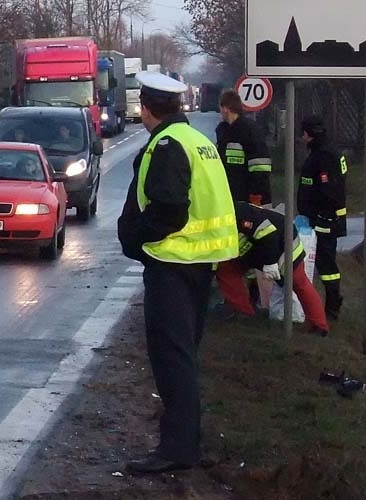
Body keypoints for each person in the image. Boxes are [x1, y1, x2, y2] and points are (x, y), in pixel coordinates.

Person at [117, 71, 238, 474]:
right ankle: (183, 437)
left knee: (172, 358)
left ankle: (178, 449)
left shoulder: (167, 145)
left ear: (147, 109)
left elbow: (168, 209)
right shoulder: (199, 141)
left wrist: (137, 240)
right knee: (184, 354)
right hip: (199, 263)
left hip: (173, 262)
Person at [216, 202, 329, 336]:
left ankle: (320, 326)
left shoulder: (240, 212)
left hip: (283, 242)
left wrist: (270, 263)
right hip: (251, 249)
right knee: (225, 271)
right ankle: (244, 314)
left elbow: (268, 235)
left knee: (298, 281)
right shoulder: (214, 218)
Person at [297, 115, 347, 320]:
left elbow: (329, 191)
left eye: (303, 134)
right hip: (322, 217)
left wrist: (319, 213)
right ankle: (329, 302)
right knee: (323, 261)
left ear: (310, 135)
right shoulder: (326, 152)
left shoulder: (323, 157)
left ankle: (333, 305)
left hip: (325, 218)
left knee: (326, 263)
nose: (301, 138)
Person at [216, 89, 272, 207]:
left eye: (220, 108)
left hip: (250, 195)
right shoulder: (223, 130)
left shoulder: (248, 129)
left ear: (226, 108)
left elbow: (260, 164)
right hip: (230, 193)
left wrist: (256, 193)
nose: (220, 111)